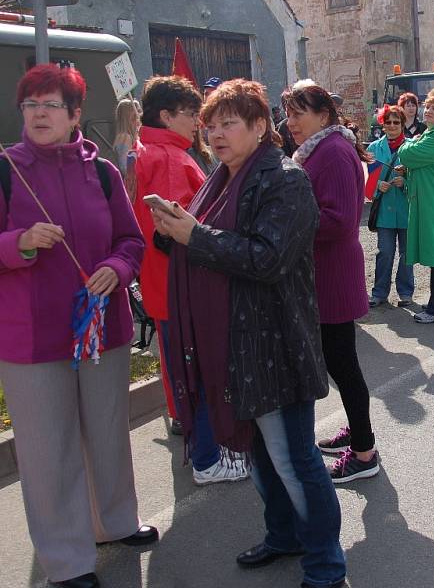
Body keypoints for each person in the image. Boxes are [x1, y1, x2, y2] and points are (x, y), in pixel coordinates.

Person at [149, 79, 346, 588]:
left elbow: (267, 257)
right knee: (261, 456)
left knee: (294, 459)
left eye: (228, 123)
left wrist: (195, 235)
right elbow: (210, 242)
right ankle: (284, 536)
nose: (214, 133)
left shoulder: (286, 180)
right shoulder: (220, 179)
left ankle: (326, 563)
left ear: (260, 127)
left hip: (275, 343)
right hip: (235, 345)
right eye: (210, 125)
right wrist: (174, 231)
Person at [0, 64, 156, 588]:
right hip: (32, 339)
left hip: (101, 331)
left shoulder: (105, 172)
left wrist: (116, 268)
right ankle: (67, 560)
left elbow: (131, 241)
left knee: (109, 433)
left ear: (74, 116)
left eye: (51, 106)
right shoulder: (6, 170)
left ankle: (113, 522)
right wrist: (18, 243)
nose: (39, 115)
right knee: (48, 451)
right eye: (31, 105)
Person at [134, 75, 248, 484]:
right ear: (166, 116)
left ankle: (197, 441)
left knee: (180, 369)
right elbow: (176, 234)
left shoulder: (148, 151)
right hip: (181, 286)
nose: (199, 123)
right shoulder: (167, 158)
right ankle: (207, 458)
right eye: (191, 114)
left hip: (162, 285)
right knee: (197, 372)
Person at [283, 80, 380, 484]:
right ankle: (358, 434)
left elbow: (339, 221)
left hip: (333, 275)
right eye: (287, 114)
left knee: (343, 365)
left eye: (298, 113)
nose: (290, 123)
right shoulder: (321, 149)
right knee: (341, 366)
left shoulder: (334, 152)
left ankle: (364, 453)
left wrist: (287, 221)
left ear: (323, 115)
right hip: (324, 272)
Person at [398, 88, 434, 323]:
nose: (429, 111)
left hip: (433, 202)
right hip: (431, 199)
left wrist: (407, 146)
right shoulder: (432, 135)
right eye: (428, 107)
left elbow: (406, 155)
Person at [367, 105, 414, 308]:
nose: (392, 126)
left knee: (407, 253)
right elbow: (366, 183)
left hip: (406, 210)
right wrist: (377, 185)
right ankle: (379, 292)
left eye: (397, 122)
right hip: (384, 212)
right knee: (384, 252)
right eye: (388, 122)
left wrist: (406, 182)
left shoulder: (413, 147)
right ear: (382, 124)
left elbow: (421, 179)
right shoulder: (373, 149)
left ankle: (405, 292)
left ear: (403, 124)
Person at [112, 97, 143, 202]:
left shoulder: (128, 136)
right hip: (129, 190)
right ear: (129, 117)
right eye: (137, 113)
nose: (140, 117)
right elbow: (125, 168)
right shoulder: (125, 137)